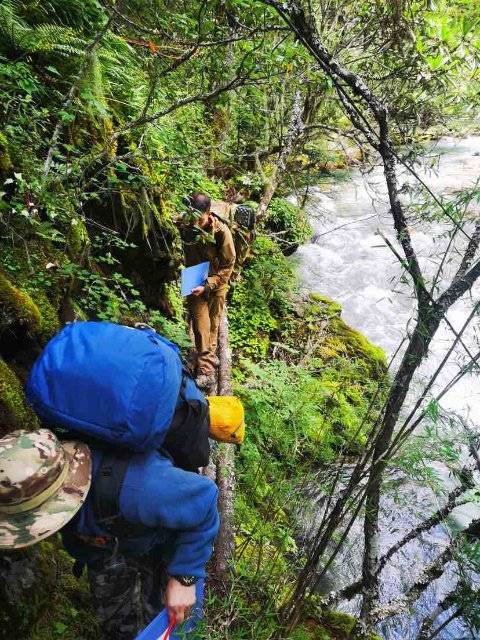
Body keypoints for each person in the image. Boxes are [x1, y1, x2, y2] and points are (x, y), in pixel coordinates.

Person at [0, 428, 220, 640]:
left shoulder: (142, 490)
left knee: (162, 612)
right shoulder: (25, 467)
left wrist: (184, 577)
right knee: (116, 621)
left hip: (156, 543)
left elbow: (206, 500)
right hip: (102, 547)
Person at [181, 192, 236, 388]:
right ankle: (207, 372)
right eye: (192, 217)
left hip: (216, 284)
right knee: (201, 326)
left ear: (208, 213)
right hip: (193, 278)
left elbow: (228, 265)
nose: (195, 222)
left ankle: (207, 359)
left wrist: (208, 285)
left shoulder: (222, 233)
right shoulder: (185, 223)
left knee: (213, 326)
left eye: (199, 218)